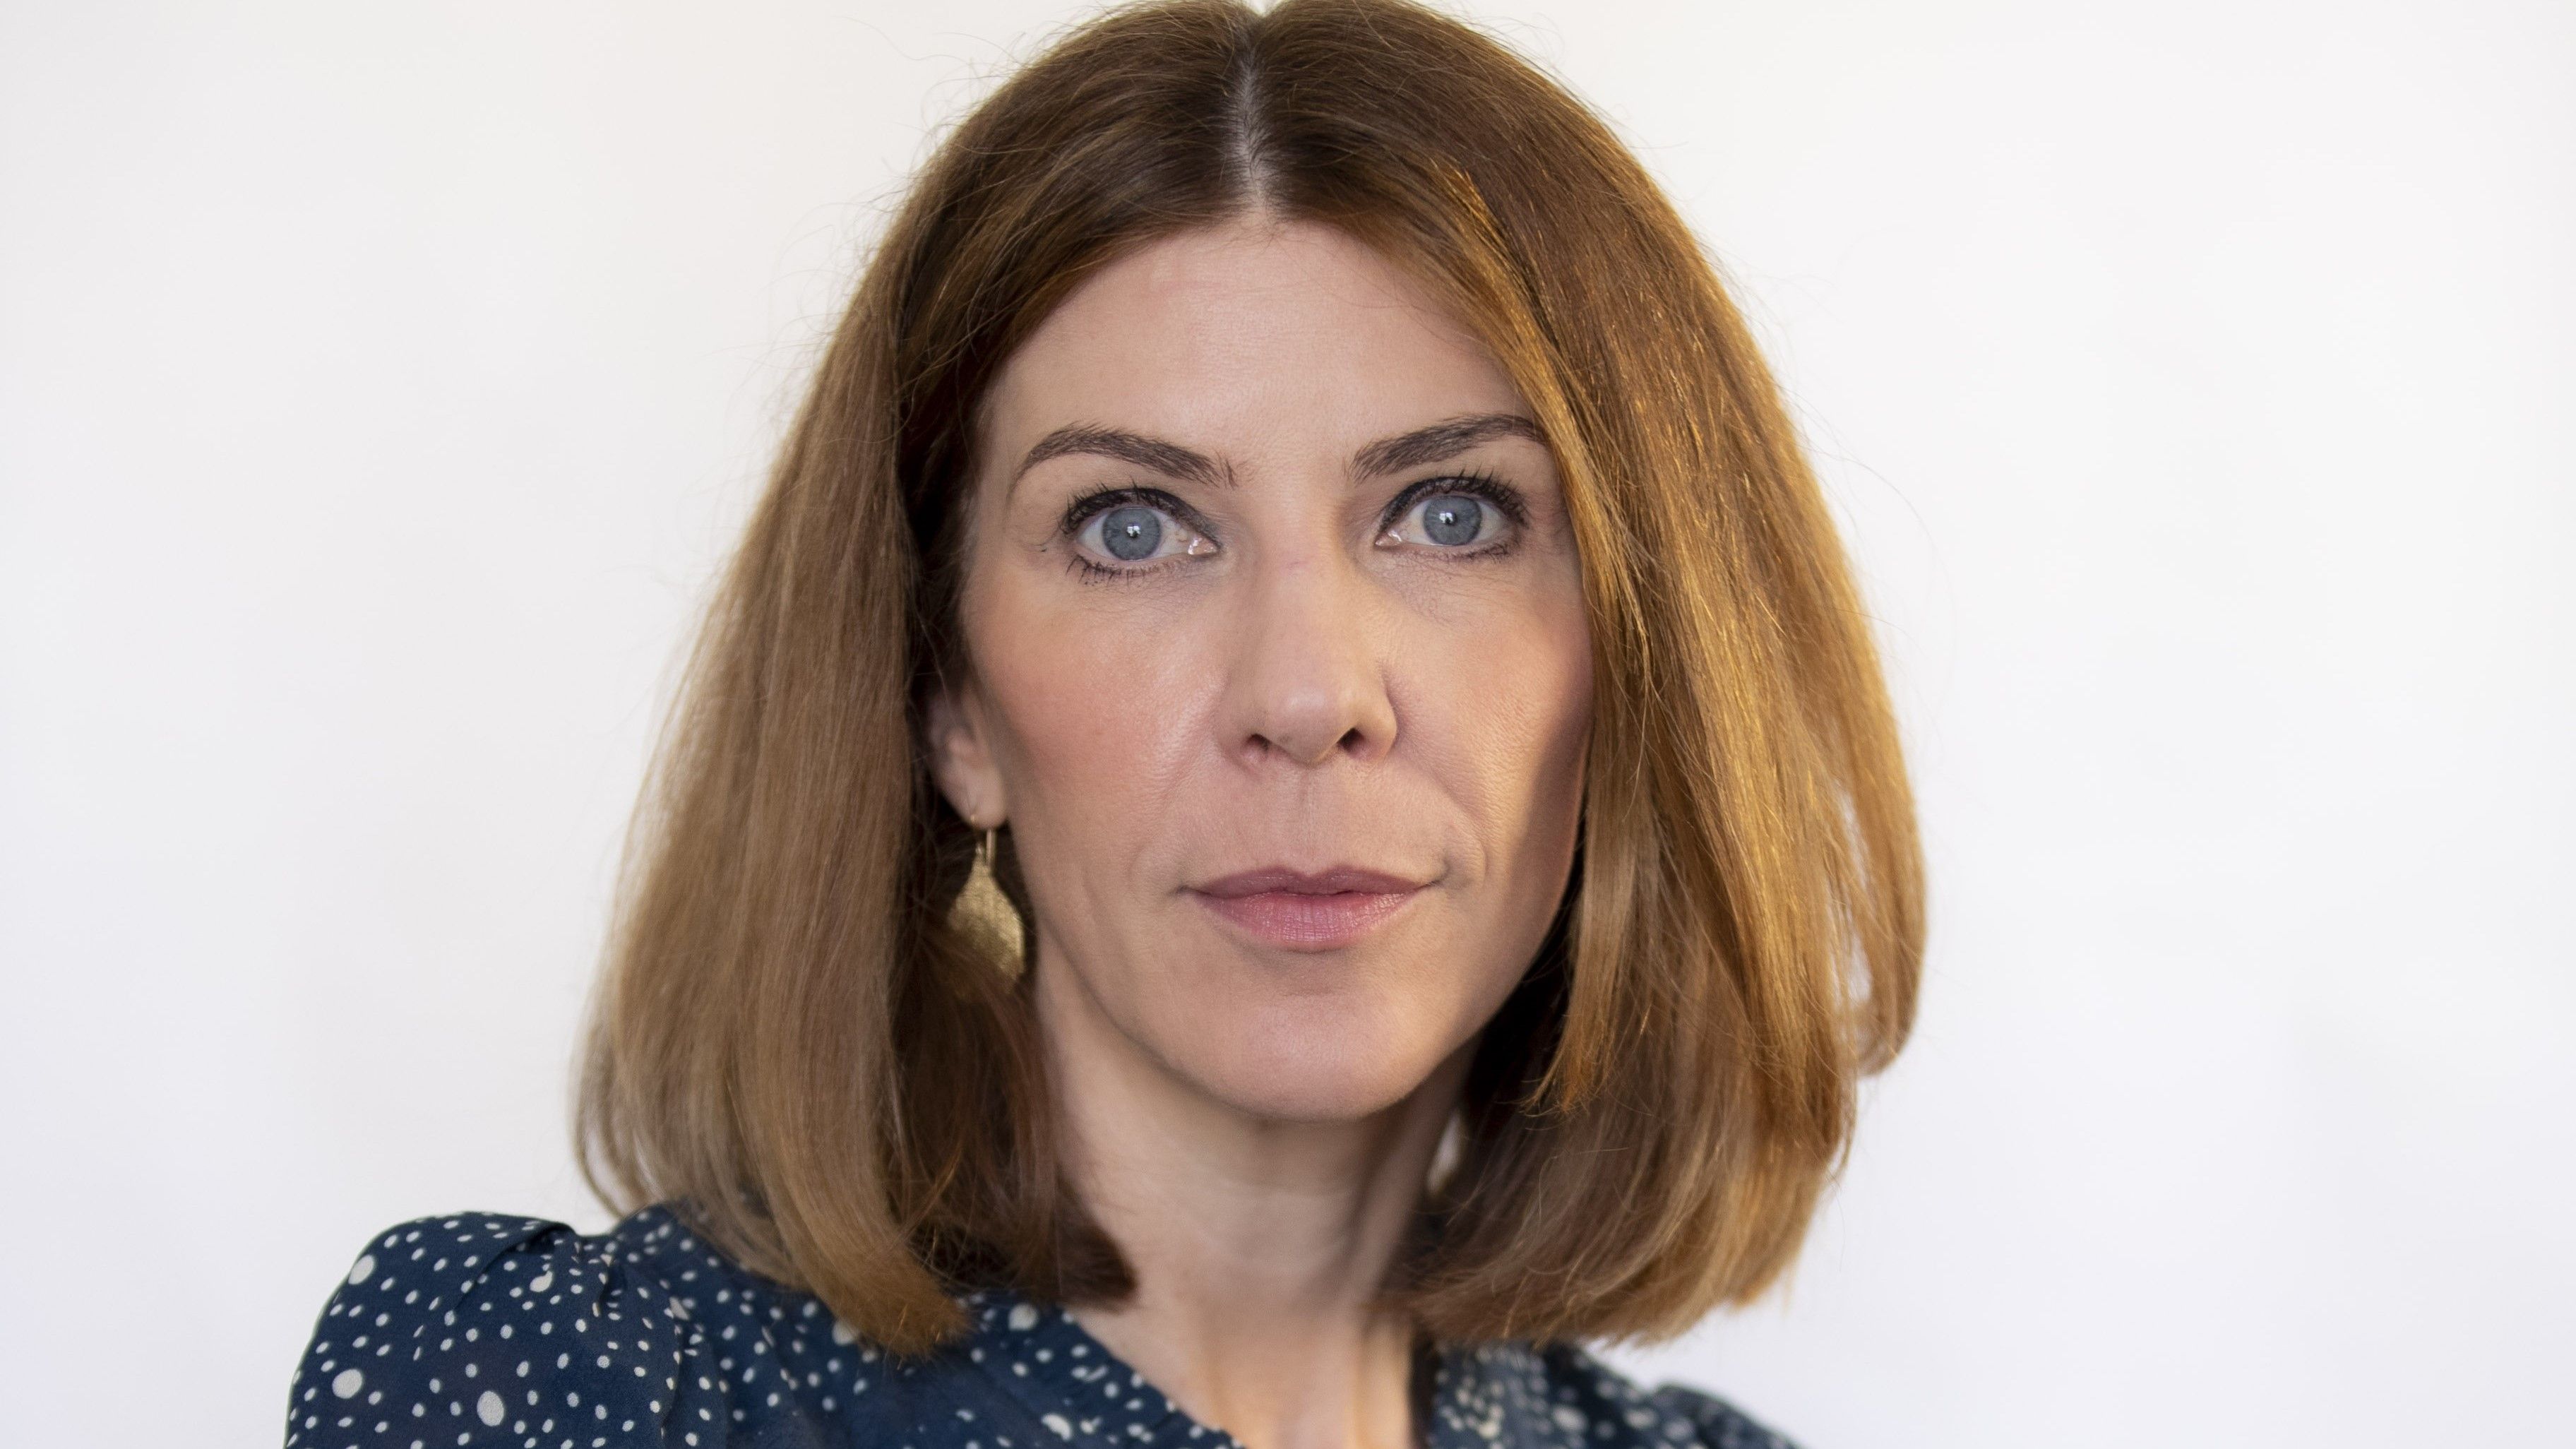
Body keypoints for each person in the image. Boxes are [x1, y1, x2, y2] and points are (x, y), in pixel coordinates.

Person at [283, 2, 1923, 1447]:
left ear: (1648, 660)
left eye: (1450, 514)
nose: (1308, 697)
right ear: (945, 695)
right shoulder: (586, 1401)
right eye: (1134, 527)